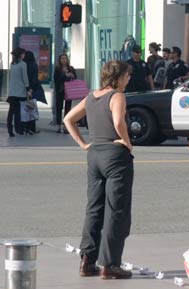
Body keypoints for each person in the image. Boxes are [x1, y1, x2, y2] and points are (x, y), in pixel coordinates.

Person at [63, 60, 133, 279]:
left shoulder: (92, 96)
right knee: (116, 209)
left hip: (95, 155)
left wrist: (84, 144)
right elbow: (118, 121)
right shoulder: (117, 96)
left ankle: (87, 260)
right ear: (119, 77)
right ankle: (110, 264)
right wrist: (126, 141)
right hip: (115, 155)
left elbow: (68, 119)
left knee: (94, 208)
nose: (129, 79)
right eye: (127, 75)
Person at [7, 47, 29, 137]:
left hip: (12, 92)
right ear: (20, 54)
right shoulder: (23, 64)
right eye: (23, 53)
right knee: (19, 112)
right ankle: (19, 129)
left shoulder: (12, 64)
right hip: (20, 91)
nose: (24, 55)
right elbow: (25, 77)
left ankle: (10, 130)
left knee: (11, 111)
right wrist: (27, 87)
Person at [23, 50, 47, 134]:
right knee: (32, 108)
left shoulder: (23, 65)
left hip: (23, 89)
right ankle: (32, 127)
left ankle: (25, 127)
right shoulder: (34, 65)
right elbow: (34, 78)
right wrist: (31, 88)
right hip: (32, 89)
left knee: (24, 109)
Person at [54, 53, 76, 133]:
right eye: (62, 58)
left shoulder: (71, 68)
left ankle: (66, 126)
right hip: (60, 90)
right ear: (59, 60)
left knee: (68, 109)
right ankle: (58, 125)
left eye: (65, 58)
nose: (64, 60)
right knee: (59, 108)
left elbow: (75, 78)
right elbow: (56, 80)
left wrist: (71, 75)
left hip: (69, 91)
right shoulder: (57, 69)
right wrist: (65, 75)